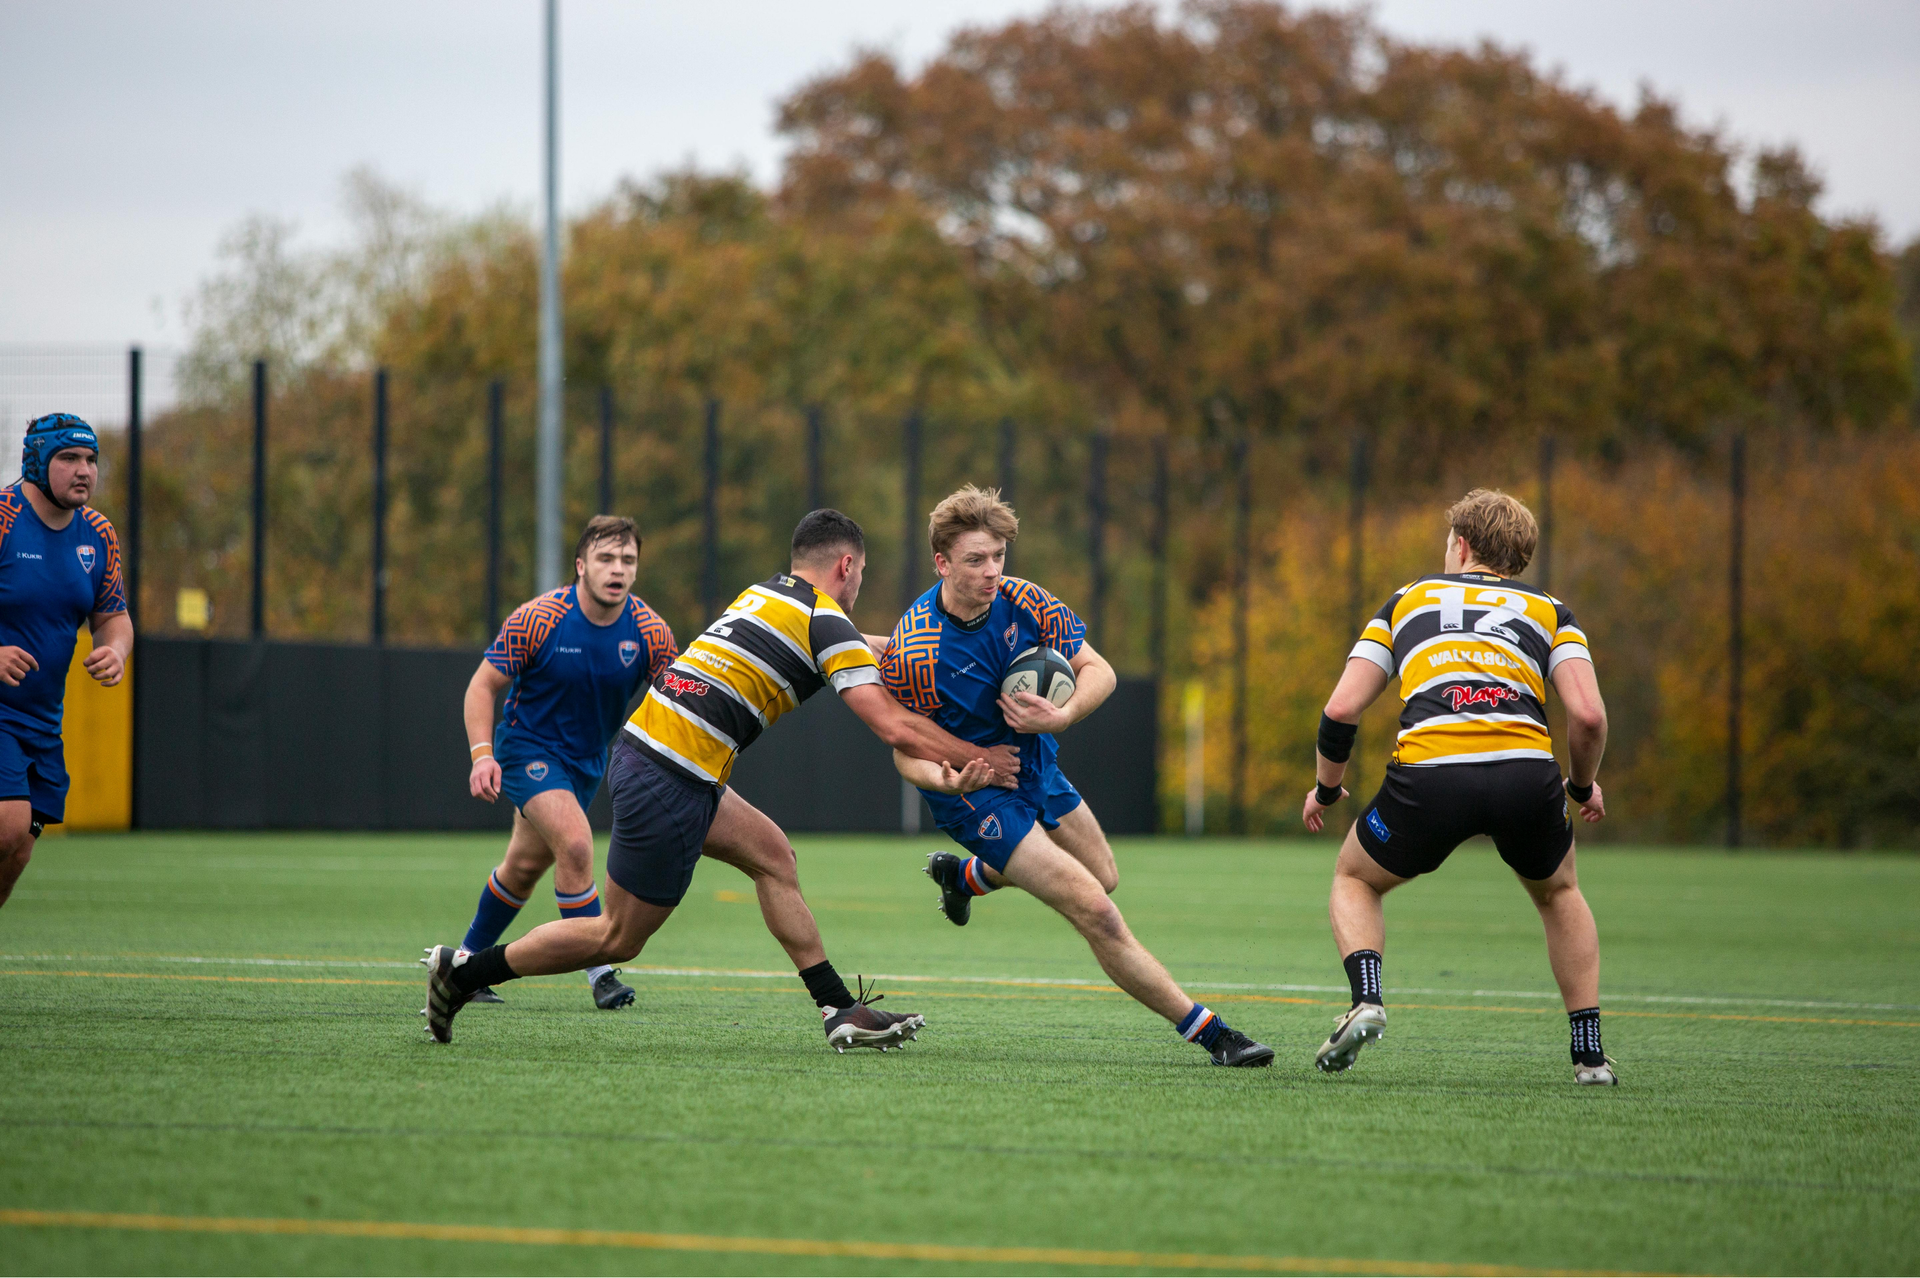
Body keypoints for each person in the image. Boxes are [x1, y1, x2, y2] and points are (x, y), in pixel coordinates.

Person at [422, 509, 1021, 1051]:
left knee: (773, 857)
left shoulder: (768, 594)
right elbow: (892, 725)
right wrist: (983, 756)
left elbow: (857, 649)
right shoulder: (822, 618)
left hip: (668, 761)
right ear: (846, 566)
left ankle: (837, 1009)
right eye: (860, 574)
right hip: (669, 774)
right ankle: (463, 973)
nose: (859, 585)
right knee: (615, 938)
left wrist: (921, 654)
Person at [881, 485, 1273, 1068]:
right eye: (975, 560)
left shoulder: (1026, 601)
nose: (992, 572)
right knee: (1096, 909)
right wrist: (949, 781)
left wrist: (1061, 715)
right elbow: (903, 751)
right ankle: (1215, 1035)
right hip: (979, 802)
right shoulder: (917, 649)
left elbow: (1100, 670)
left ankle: (965, 880)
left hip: (1038, 768)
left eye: (998, 557)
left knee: (1104, 876)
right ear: (941, 562)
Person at [1301, 488, 1615, 1085]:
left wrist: (1325, 788)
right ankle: (1589, 1054)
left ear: (1462, 545)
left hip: (1430, 777)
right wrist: (1580, 787)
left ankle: (1367, 998)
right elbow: (1590, 717)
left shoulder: (1408, 600)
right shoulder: (1552, 612)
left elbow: (1341, 710)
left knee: (1354, 877)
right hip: (1527, 776)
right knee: (1559, 894)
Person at [455, 515, 677, 1011]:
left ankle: (463, 966)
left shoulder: (649, 631)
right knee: (576, 845)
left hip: (587, 763)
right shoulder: (539, 618)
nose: (617, 569)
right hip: (526, 751)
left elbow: (675, 702)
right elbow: (481, 686)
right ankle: (600, 973)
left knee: (523, 867)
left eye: (627, 560)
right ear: (580, 566)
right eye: (605, 558)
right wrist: (482, 756)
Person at [0, 414, 132, 909]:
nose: (85, 470)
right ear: (36, 462)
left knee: (17, 851)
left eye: (92, 460)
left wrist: (115, 650)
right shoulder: (4, 519)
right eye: (69, 458)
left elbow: (113, 618)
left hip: (42, 724)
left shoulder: (98, 534)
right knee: (8, 824)